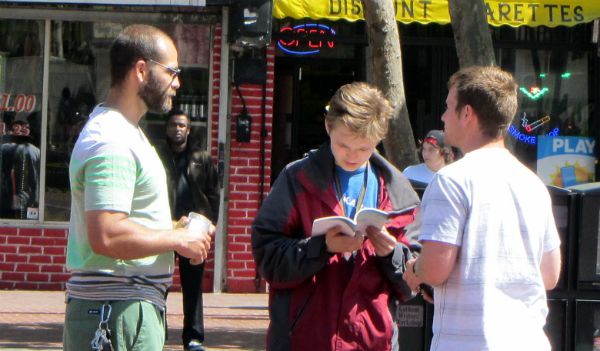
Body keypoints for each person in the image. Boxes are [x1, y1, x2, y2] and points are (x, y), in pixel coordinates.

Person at [63, 24, 214, 351]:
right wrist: (177, 238)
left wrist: (171, 229)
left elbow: (117, 225)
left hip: (121, 310)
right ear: (142, 70)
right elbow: (107, 234)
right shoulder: (113, 140)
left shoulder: (122, 132)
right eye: (172, 71)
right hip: (116, 312)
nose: (178, 82)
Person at [251, 82, 420, 351]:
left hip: (372, 340)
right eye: (343, 145)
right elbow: (266, 259)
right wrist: (322, 247)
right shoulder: (296, 179)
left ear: (378, 140)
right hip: (305, 339)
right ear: (328, 127)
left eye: (364, 149)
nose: (353, 155)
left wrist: (392, 254)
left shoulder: (398, 192)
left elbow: (413, 284)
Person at [402, 66, 562, 350]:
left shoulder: (451, 180)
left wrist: (416, 271)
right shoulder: (533, 183)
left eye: (448, 107)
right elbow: (550, 275)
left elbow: (436, 269)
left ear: (467, 114)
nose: (443, 117)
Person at [157, 109, 220, 351]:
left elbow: (213, 191)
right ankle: (156, 333)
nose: (177, 129)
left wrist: (211, 221)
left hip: (193, 229)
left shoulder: (200, 158)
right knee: (159, 282)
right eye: (173, 125)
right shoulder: (158, 156)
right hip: (165, 226)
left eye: (182, 125)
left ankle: (193, 338)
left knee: (192, 285)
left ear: (189, 129)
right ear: (167, 128)